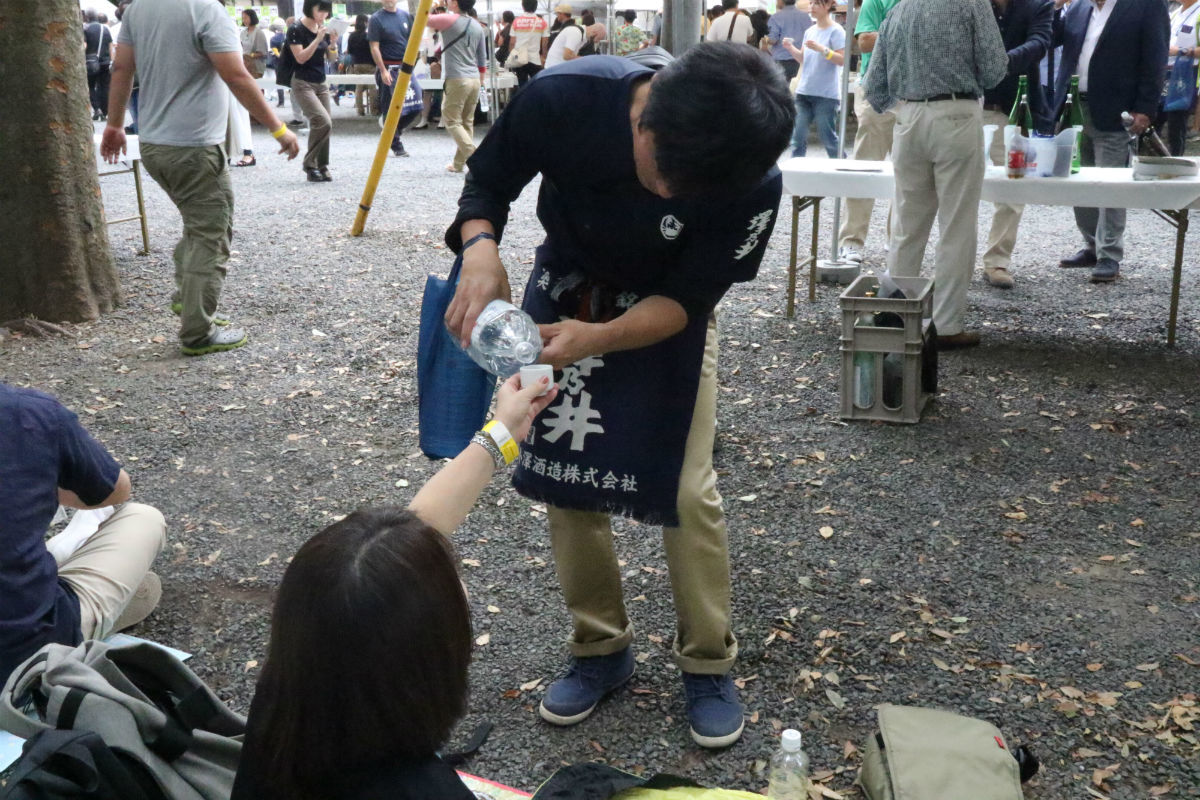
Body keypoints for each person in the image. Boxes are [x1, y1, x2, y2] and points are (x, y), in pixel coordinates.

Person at [442, 43, 793, 748]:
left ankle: (707, 659)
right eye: (664, 176)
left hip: (666, 310)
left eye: (689, 193)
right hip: (567, 281)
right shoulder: (566, 96)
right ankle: (599, 647)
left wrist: (597, 339)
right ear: (644, 119)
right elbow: (487, 182)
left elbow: (689, 300)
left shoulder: (749, 178)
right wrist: (479, 249)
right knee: (566, 478)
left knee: (687, 488)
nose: (670, 197)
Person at [230, 376, 558, 800]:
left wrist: (503, 432)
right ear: (426, 662)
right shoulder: (425, 792)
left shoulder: (286, 716)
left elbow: (417, 535)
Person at [102, 0, 299, 356]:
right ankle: (197, 331)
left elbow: (121, 69)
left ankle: (187, 299)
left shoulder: (138, 10)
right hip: (194, 146)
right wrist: (279, 128)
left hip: (154, 143)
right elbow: (235, 74)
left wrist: (115, 125)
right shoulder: (206, 9)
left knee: (198, 224)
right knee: (212, 232)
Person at [864, 0, 1008, 349]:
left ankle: (896, 316)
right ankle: (945, 325)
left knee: (907, 226)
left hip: (908, 117)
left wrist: (905, 105)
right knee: (956, 226)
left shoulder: (898, 9)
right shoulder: (972, 4)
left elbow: (874, 86)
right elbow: (994, 69)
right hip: (956, 114)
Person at [0, 383, 166, 686]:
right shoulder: (26, 411)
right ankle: (97, 613)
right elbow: (116, 490)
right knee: (143, 517)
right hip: (24, 661)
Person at [1051, 0, 1169, 282]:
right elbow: (1052, 39)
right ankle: (1091, 244)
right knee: (1078, 181)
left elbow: (1155, 57)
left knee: (1111, 184)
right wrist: (1055, 9)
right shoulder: (1079, 7)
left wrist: (1146, 107)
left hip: (1118, 110)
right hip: (1073, 107)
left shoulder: (1146, 6)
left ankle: (1109, 254)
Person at [977, 0, 1053, 290]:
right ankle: (952, 259)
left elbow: (1040, 42)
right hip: (972, 107)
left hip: (1018, 114)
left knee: (1013, 192)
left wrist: (1000, 62)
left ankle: (997, 261)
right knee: (955, 186)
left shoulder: (1038, 5)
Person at [836, 0, 901, 266]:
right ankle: (851, 240)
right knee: (865, 167)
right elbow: (864, 42)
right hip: (877, 92)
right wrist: (907, 32)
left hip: (914, 94)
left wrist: (886, 34)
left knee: (909, 172)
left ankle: (897, 238)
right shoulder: (877, 1)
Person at [430, 0, 487, 173]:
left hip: (456, 77)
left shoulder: (449, 20)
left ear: (455, 3)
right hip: (474, 79)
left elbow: (422, 19)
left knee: (451, 120)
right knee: (466, 122)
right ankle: (458, 164)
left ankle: (476, 157)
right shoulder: (478, 26)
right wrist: (481, 80)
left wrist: (433, 7)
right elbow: (482, 58)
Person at [782, 0, 844, 158]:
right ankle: (797, 174)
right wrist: (790, 48)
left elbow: (842, 60)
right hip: (804, 92)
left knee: (828, 138)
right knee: (797, 138)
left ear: (829, 4)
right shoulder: (809, 31)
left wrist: (823, 50)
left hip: (826, 95)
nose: (812, 7)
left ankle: (842, 168)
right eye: (811, 3)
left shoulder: (836, 31)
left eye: (817, 3)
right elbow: (803, 58)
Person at [288, 0, 336, 182]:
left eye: (326, 11)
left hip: (321, 82)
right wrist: (317, 39)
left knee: (326, 125)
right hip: (302, 82)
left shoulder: (322, 28)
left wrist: (332, 44)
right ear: (310, 8)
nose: (323, 15)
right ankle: (309, 165)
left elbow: (331, 58)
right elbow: (300, 58)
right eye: (320, 10)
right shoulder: (296, 29)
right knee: (322, 121)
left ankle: (322, 166)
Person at [369, 0, 415, 157]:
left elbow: (411, 41)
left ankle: (390, 133)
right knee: (389, 108)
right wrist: (382, 70)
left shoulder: (406, 16)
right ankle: (396, 144)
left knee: (416, 103)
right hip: (387, 66)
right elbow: (374, 46)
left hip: (405, 67)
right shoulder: (376, 19)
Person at [1165, 0, 1200, 156]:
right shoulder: (1174, 13)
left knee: (1176, 123)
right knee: (1156, 119)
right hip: (1166, 72)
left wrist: (1182, 51)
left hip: (1187, 73)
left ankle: (1176, 161)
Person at [765, 0, 812, 80]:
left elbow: (773, 40)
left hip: (781, 61)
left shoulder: (776, 17)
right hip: (801, 61)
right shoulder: (806, 17)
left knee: (781, 89)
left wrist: (766, 39)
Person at [507, 0, 548, 87]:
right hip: (535, 59)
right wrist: (544, 56)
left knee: (522, 85)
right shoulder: (542, 22)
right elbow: (545, 43)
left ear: (523, 6)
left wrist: (513, 54)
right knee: (537, 85)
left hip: (520, 59)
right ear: (536, 7)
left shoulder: (516, 22)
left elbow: (512, 42)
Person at [83, 9, 114, 121]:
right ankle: (105, 112)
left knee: (91, 86)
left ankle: (97, 109)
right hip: (105, 62)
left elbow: (84, 46)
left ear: (87, 18)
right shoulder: (105, 28)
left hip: (91, 62)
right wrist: (111, 61)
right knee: (105, 86)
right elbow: (110, 46)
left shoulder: (85, 29)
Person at [345, 15, 376, 116]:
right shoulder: (368, 36)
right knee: (372, 87)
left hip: (357, 63)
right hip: (369, 64)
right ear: (366, 23)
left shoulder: (352, 36)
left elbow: (349, 50)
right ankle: (374, 110)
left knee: (359, 87)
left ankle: (360, 110)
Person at [544, 4, 583, 68]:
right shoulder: (571, 25)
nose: (557, 16)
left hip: (560, 63)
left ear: (562, 14)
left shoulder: (568, 28)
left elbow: (567, 53)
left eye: (558, 14)